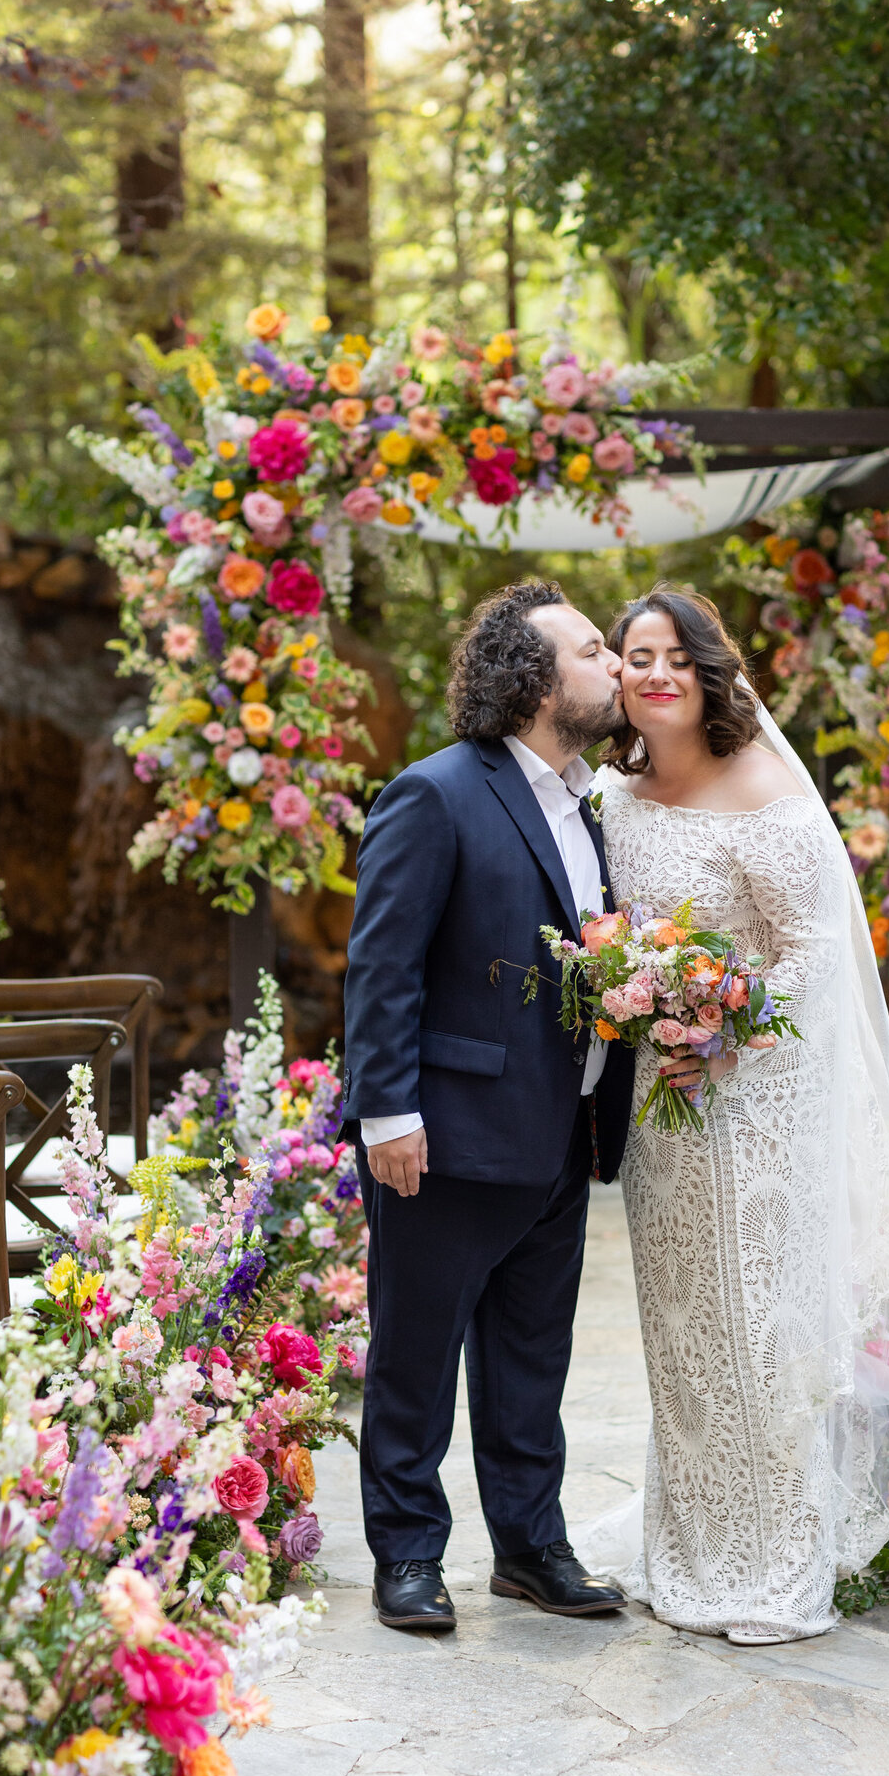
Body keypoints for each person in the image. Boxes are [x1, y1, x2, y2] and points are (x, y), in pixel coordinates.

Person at [578, 583, 889, 1644]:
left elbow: (819, 952)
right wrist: (650, 1011)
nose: (652, 674)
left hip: (758, 1093)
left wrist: (724, 1029)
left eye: (673, 658)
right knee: (684, 1322)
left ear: (708, 670)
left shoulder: (767, 790)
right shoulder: (615, 786)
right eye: (634, 656)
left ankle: (774, 1563)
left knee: (759, 1322)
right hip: (662, 1101)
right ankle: (695, 1543)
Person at [340, 578, 635, 1631]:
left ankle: (531, 1547)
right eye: (594, 649)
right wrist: (387, 1114)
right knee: (414, 1358)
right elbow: (383, 965)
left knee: (530, 1362)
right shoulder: (437, 792)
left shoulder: (589, 803)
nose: (617, 665)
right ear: (531, 676)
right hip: (446, 1139)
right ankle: (408, 1557)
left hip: (564, 1131)